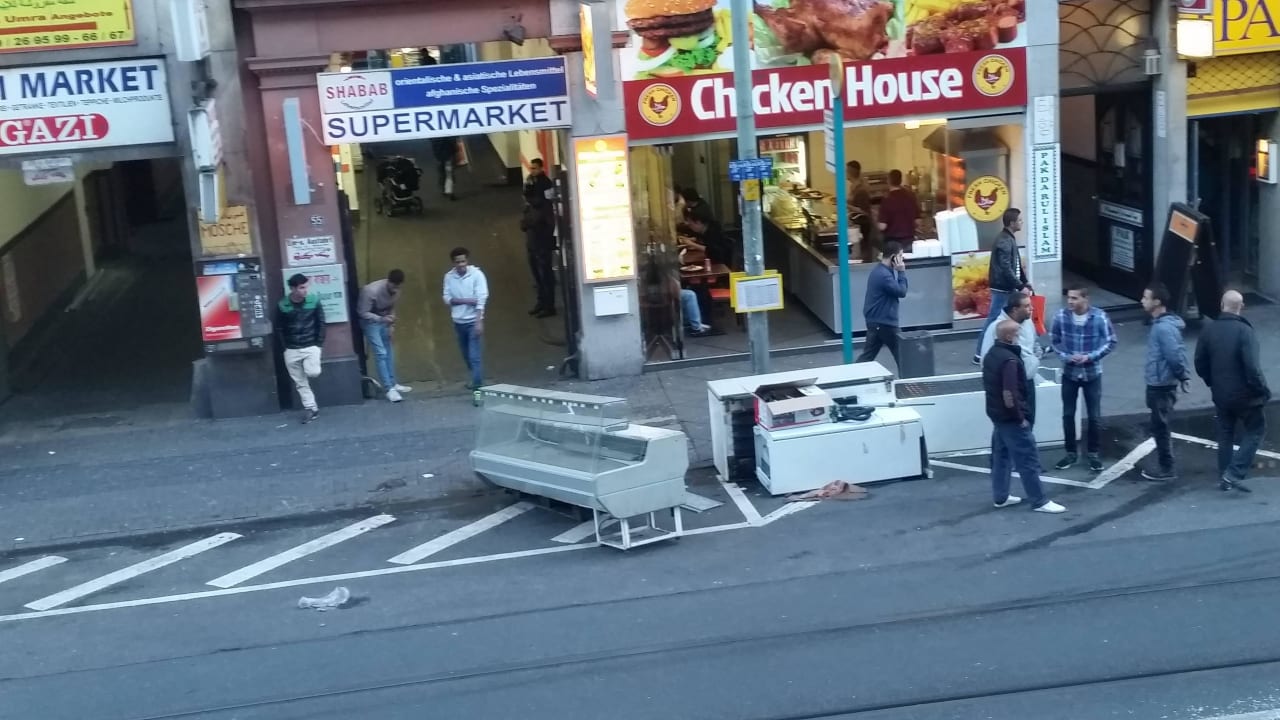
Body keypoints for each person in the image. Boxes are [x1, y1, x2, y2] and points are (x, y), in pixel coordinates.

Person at [983, 319, 1066, 514]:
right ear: (1009, 337)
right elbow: (1010, 393)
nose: (1020, 337)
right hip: (1011, 418)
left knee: (1001, 456)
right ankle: (1039, 501)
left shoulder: (992, 355)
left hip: (998, 416)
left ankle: (1001, 496)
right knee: (1028, 459)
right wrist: (1020, 418)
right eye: (1017, 334)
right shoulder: (1010, 360)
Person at [1195, 290, 1272, 493]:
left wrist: (1212, 382)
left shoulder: (1208, 330)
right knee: (1256, 430)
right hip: (1246, 396)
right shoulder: (1245, 331)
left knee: (1225, 433)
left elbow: (1200, 363)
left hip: (1221, 394)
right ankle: (1235, 472)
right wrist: (1262, 390)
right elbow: (1252, 368)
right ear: (1241, 307)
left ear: (1222, 305)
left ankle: (1224, 476)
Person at [1050, 285, 1118, 472]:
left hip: (1092, 373)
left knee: (1094, 416)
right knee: (1068, 414)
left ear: (1085, 299)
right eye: (1069, 298)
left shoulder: (1099, 317)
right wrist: (1066, 356)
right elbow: (1054, 340)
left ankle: (1093, 454)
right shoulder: (1060, 316)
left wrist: (1091, 357)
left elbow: (1111, 341)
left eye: (1075, 298)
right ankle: (1070, 453)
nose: (1070, 301)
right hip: (1070, 373)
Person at [1139, 282, 1189, 481]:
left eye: (1146, 297)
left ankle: (1167, 468)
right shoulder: (1161, 325)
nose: (1142, 301)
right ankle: (1166, 466)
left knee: (1160, 427)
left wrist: (1183, 376)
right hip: (1159, 382)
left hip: (1161, 384)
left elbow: (1174, 355)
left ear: (1157, 302)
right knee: (1159, 425)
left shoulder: (1163, 328)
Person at [973, 208, 1032, 364]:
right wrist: (1021, 285)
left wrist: (1024, 282)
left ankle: (1027, 346)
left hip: (1006, 286)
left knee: (1013, 316)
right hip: (1002, 288)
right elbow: (1006, 267)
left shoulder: (1008, 238)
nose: (1022, 223)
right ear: (1012, 223)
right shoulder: (1004, 241)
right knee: (994, 319)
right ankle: (979, 354)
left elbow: (1015, 265)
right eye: (1019, 220)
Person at [979, 291, 1042, 425]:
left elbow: (1033, 344)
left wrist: (1036, 357)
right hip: (1009, 385)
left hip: (1028, 382)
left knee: (1028, 423)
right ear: (1015, 309)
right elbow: (986, 360)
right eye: (1027, 306)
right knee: (1016, 427)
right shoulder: (996, 328)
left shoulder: (1028, 322)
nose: (1032, 308)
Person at [277, 273, 326, 424]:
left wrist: (318, 343)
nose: (305, 290)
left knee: (313, 372)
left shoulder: (314, 301)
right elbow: (279, 328)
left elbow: (321, 322)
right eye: (301, 287)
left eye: (306, 287)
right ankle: (311, 408)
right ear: (293, 289)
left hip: (310, 345)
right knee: (300, 382)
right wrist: (285, 347)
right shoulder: (283, 305)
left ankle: (311, 407)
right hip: (291, 348)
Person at [358, 269, 412, 403]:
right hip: (370, 322)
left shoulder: (397, 290)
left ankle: (393, 383)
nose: (395, 289)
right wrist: (381, 319)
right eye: (393, 286)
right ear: (388, 281)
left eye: (398, 287)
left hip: (385, 321)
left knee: (389, 351)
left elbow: (392, 307)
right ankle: (388, 389)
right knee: (381, 353)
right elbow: (362, 312)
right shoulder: (371, 291)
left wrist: (391, 325)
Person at [443, 247, 488, 391]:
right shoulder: (449, 277)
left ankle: (477, 387)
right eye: (458, 262)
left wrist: (479, 321)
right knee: (466, 355)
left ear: (467, 261)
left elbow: (481, 298)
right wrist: (467, 301)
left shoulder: (477, 275)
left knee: (474, 356)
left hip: (473, 322)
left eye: (463, 261)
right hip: (458, 323)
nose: (461, 264)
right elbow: (447, 298)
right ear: (453, 263)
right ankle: (475, 378)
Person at [856, 241, 908, 366]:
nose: (902, 260)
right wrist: (901, 272)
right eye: (901, 256)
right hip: (885, 322)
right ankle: (911, 378)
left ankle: (852, 375)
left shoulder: (880, 271)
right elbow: (901, 292)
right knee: (903, 355)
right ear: (893, 257)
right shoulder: (884, 275)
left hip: (876, 321)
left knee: (867, 356)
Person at [522, 158, 557, 318]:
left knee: (545, 273)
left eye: (535, 168)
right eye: (531, 168)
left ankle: (548, 305)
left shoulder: (545, 184)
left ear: (541, 168)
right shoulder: (532, 182)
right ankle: (542, 302)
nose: (532, 171)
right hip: (534, 239)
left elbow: (541, 207)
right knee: (537, 273)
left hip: (541, 239)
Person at [877, 169, 919, 252]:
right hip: (909, 241)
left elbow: (882, 226)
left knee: (894, 260)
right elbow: (918, 221)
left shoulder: (887, 200)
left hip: (892, 242)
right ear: (901, 180)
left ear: (888, 181)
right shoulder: (910, 197)